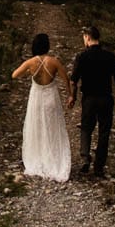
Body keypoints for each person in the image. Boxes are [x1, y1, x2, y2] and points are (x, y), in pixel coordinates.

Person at [66, 24, 115, 179]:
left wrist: (73, 96)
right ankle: (99, 167)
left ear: (87, 37)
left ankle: (85, 158)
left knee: (86, 128)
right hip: (106, 98)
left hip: (89, 99)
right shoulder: (110, 56)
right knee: (104, 133)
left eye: (83, 38)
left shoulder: (82, 56)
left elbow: (74, 80)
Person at [11, 33, 72, 181]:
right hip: (51, 96)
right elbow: (66, 79)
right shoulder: (54, 61)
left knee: (37, 127)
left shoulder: (31, 62)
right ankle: (54, 160)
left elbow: (14, 75)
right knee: (52, 127)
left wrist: (28, 73)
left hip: (36, 98)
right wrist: (70, 95)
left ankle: (38, 159)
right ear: (47, 46)